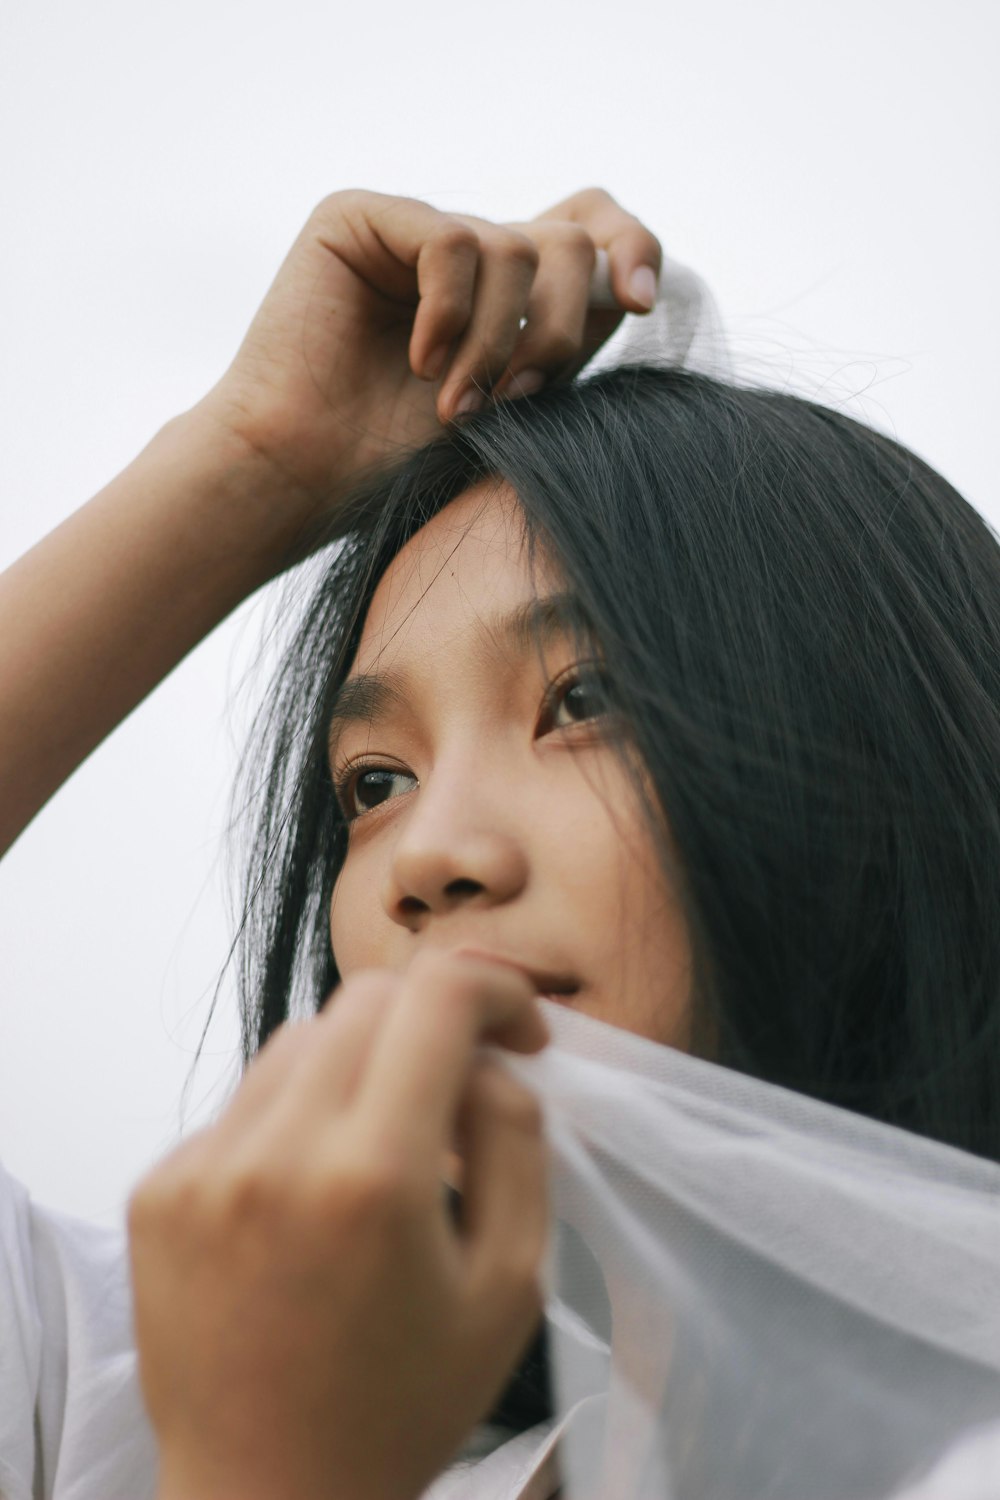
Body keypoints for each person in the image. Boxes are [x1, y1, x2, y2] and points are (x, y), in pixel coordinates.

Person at [1, 185, 999, 1500]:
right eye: (372, 783)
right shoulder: (130, 1397)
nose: (427, 863)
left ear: (879, 770)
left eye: (583, 702)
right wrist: (255, 463)